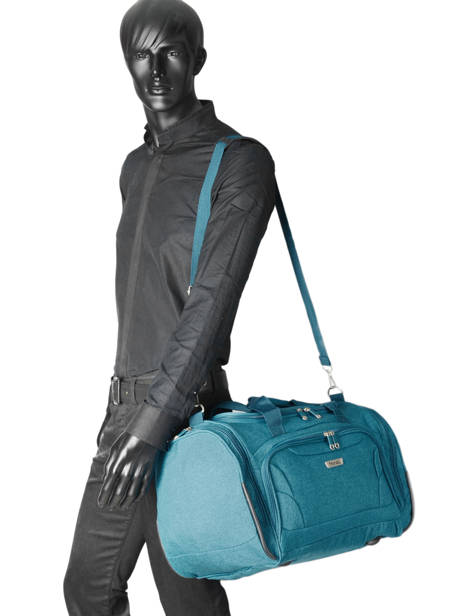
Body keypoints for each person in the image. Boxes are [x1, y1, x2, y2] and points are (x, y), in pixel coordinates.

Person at [63, 1, 276, 614]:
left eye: (172, 53)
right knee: (88, 587)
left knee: (186, 599)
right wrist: (130, 419)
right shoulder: (135, 167)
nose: (155, 71)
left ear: (199, 59)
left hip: (185, 415)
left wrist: (153, 425)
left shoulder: (239, 161)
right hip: (123, 409)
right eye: (140, 55)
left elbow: (210, 307)